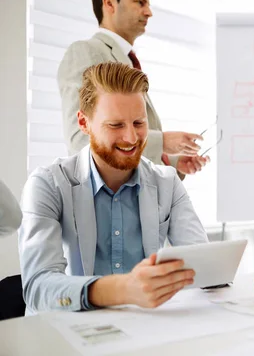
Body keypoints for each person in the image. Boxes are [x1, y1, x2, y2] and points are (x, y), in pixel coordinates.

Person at [19, 62, 208, 314]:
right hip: (67, 336)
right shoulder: (47, 185)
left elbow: (205, 266)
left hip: (145, 333)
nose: (131, 138)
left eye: (139, 123)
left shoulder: (167, 182)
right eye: (116, 125)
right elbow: (38, 288)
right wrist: (122, 290)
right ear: (84, 123)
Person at [57, 0, 207, 177]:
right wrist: (162, 141)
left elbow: (124, 145)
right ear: (109, 3)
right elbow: (81, 140)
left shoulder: (127, 60)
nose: (149, 12)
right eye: (139, 2)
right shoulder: (86, 52)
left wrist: (170, 161)